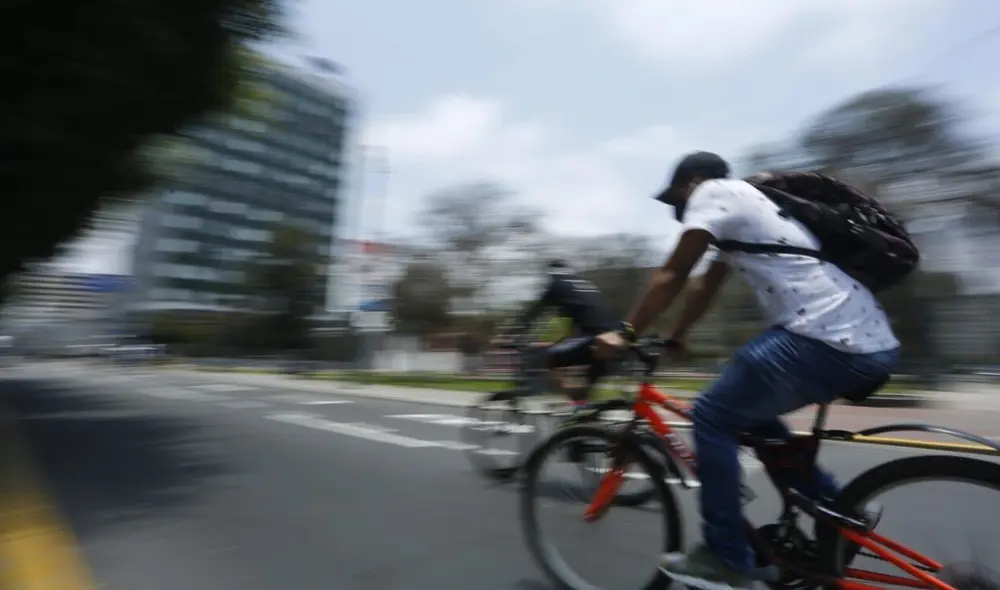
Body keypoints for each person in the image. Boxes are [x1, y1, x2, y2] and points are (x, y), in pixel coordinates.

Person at [594, 151, 900, 589]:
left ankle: (726, 558)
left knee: (712, 415)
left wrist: (625, 332)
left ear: (695, 180)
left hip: (823, 336)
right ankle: (837, 512)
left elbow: (674, 272)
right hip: (865, 341)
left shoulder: (715, 192)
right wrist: (677, 335)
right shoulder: (751, 211)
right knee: (756, 420)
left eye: (677, 195)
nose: (677, 207)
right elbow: (706, 283)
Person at [515, 259, 620, 403]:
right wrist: (560, 340)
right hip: (616, 338)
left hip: (593, 338)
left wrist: (516, 331)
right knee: (585, 390)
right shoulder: (584, 284)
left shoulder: (556, 284)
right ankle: (581, 408)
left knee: (543, 358)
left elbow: (534, 313)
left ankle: (565, 397)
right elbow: (577, 319)